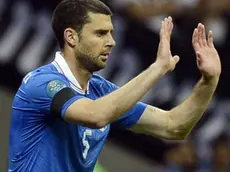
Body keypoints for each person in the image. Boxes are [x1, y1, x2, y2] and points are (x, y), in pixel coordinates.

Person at [8, 0, 221, 171]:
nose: (111, 41)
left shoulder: (101, 90)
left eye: (111, 33)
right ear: (71, 37)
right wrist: (157, 69)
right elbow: (95, 115)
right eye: (100, 33)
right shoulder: (43, 83)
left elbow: (173, 126)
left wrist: (209, 81)